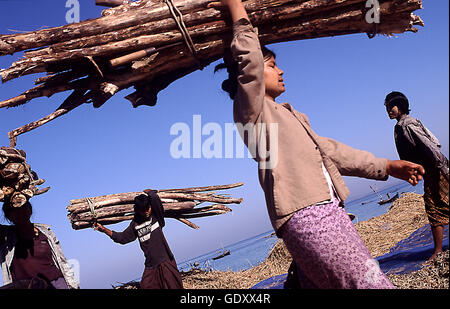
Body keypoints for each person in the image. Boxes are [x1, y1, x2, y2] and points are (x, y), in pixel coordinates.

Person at [209, 0, 425, 288]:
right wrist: (235, 6)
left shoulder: (291, 116)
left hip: (327, 209)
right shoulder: (252, 114)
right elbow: (250, 62)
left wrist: (386, 166)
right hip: (310, 215)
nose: (282, 71)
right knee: (369, 283)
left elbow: (334, 153)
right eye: (273, 66)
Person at [385, 91, 449, 261]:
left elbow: (431, 147)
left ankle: (437, 251)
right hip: (431, 171)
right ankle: (438, 249)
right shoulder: (403, 124)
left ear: (401, 106)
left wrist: (445, 170)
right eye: (387, 107)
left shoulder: (407, 125)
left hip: (436, 170)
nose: (389, 110)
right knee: (438, 206)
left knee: (433, 208)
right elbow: (434, 140)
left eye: (392, 106)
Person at [94, 190, 183, 289]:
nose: (146, 212)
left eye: (148, 208)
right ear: (137, 210)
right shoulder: (135, 224)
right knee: (145, 287)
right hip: (151, 266)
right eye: (143, 210)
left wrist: (150, 192)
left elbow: (155, 199)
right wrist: (104, 230)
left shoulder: (156, 216)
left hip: (166, 262)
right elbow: (122, 238)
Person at [0, 201, 79, 289]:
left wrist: (73, 285)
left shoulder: (46, 232)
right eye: (14, 211)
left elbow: (62, 260)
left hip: (55, 283)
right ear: (9, 217)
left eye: (23, 208)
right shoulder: (5, 236)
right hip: (25, 286)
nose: (20, 213)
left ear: (30, 210)